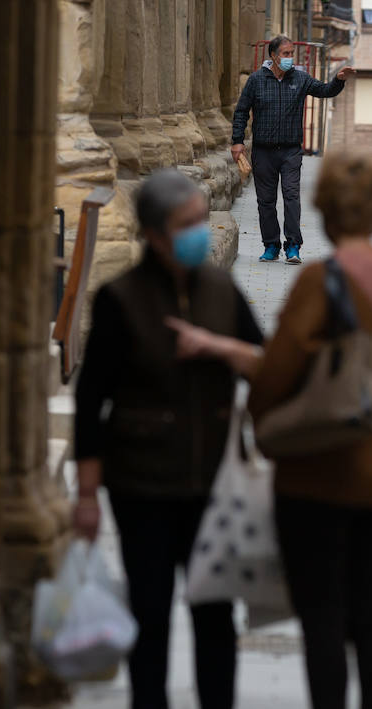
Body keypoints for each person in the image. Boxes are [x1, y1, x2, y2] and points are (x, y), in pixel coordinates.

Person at [72, 169, 266, 709]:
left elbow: (268, 364)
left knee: (215, 616)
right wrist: (87, 496)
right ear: (155, 234)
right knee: (151, 614)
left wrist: (218, 348)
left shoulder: (221, 291)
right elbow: (91, 403)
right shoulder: (121, 299)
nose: (199, 233)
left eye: (201, 222)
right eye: (187, 225)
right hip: (142, 485)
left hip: (213, 481)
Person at [248, 153, 372, 709]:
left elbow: (275, 377)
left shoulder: (320, 282)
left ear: (323, 211)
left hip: (319, 481)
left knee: (324, 618)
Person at [231, 35, 356, 266]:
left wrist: (339, 80)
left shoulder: (300, 78)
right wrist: (237, 141)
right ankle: (270, 245)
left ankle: (293, 245)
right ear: (273, 56)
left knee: (291, 196)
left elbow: (325, 90)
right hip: (263, 151)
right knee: (266, 201)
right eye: (286, 54)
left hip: (290, 151)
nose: (290, 58)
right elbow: (241, 111)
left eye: (291, 54)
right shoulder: (256, 81)